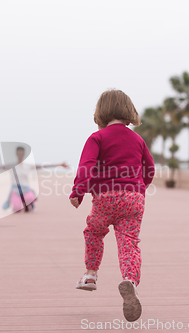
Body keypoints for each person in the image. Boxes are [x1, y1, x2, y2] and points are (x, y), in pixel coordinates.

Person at [68, 89, 155, 322]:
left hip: (105, 198)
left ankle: (90, 275)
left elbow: (86, 166)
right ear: (128, 112)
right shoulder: (138, 139)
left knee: (94, 231)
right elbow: (150, 170)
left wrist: (79, 191)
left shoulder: (97, 138)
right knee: (129, 243)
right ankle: (130, 281)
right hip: (134, 198)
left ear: (101, 113)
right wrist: (138, 188)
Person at [0, 146, 69, 212]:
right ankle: (20, 204)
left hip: (26, 190)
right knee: (17, 208)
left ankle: (29, 204)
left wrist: (59, 165)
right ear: (16, 154)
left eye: (22, 153)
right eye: (19, 153)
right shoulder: (11, 165)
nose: (20, 155)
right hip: (15, 190)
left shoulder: (28, 166)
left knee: (30, 197)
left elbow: (42, 166)